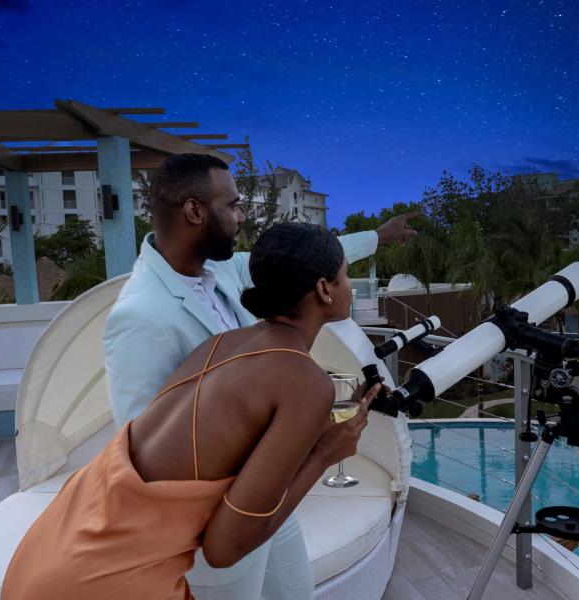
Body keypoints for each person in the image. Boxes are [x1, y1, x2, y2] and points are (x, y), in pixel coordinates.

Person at [2, 222, 382, 600]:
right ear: (323, 289)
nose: (350, 286)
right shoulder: (306, 381)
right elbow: (223, 549)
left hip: (53, 543)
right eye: (346, 276)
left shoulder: (219, 345)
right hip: (105, 581)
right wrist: (323, 455)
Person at [102, 153, 416, 598]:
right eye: (231, 206)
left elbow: (308, 260)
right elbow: (141, 444)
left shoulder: (220, 270)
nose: (241, 216)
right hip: (212, 526)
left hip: (268, 493)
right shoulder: (140, 315)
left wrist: (377, 237)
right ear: (195, 211)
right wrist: (315, 449)